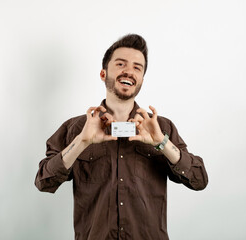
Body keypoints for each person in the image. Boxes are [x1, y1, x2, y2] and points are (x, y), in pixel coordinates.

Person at [35, 34, 208, 240]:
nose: (129, 71)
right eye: (120, 64)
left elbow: (199, 180)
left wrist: (162, 142)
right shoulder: (77, 129)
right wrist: (82, 142)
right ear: (103, 73)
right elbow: (44, 182)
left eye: (137, 67)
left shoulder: (161, 128)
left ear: (142, 79)